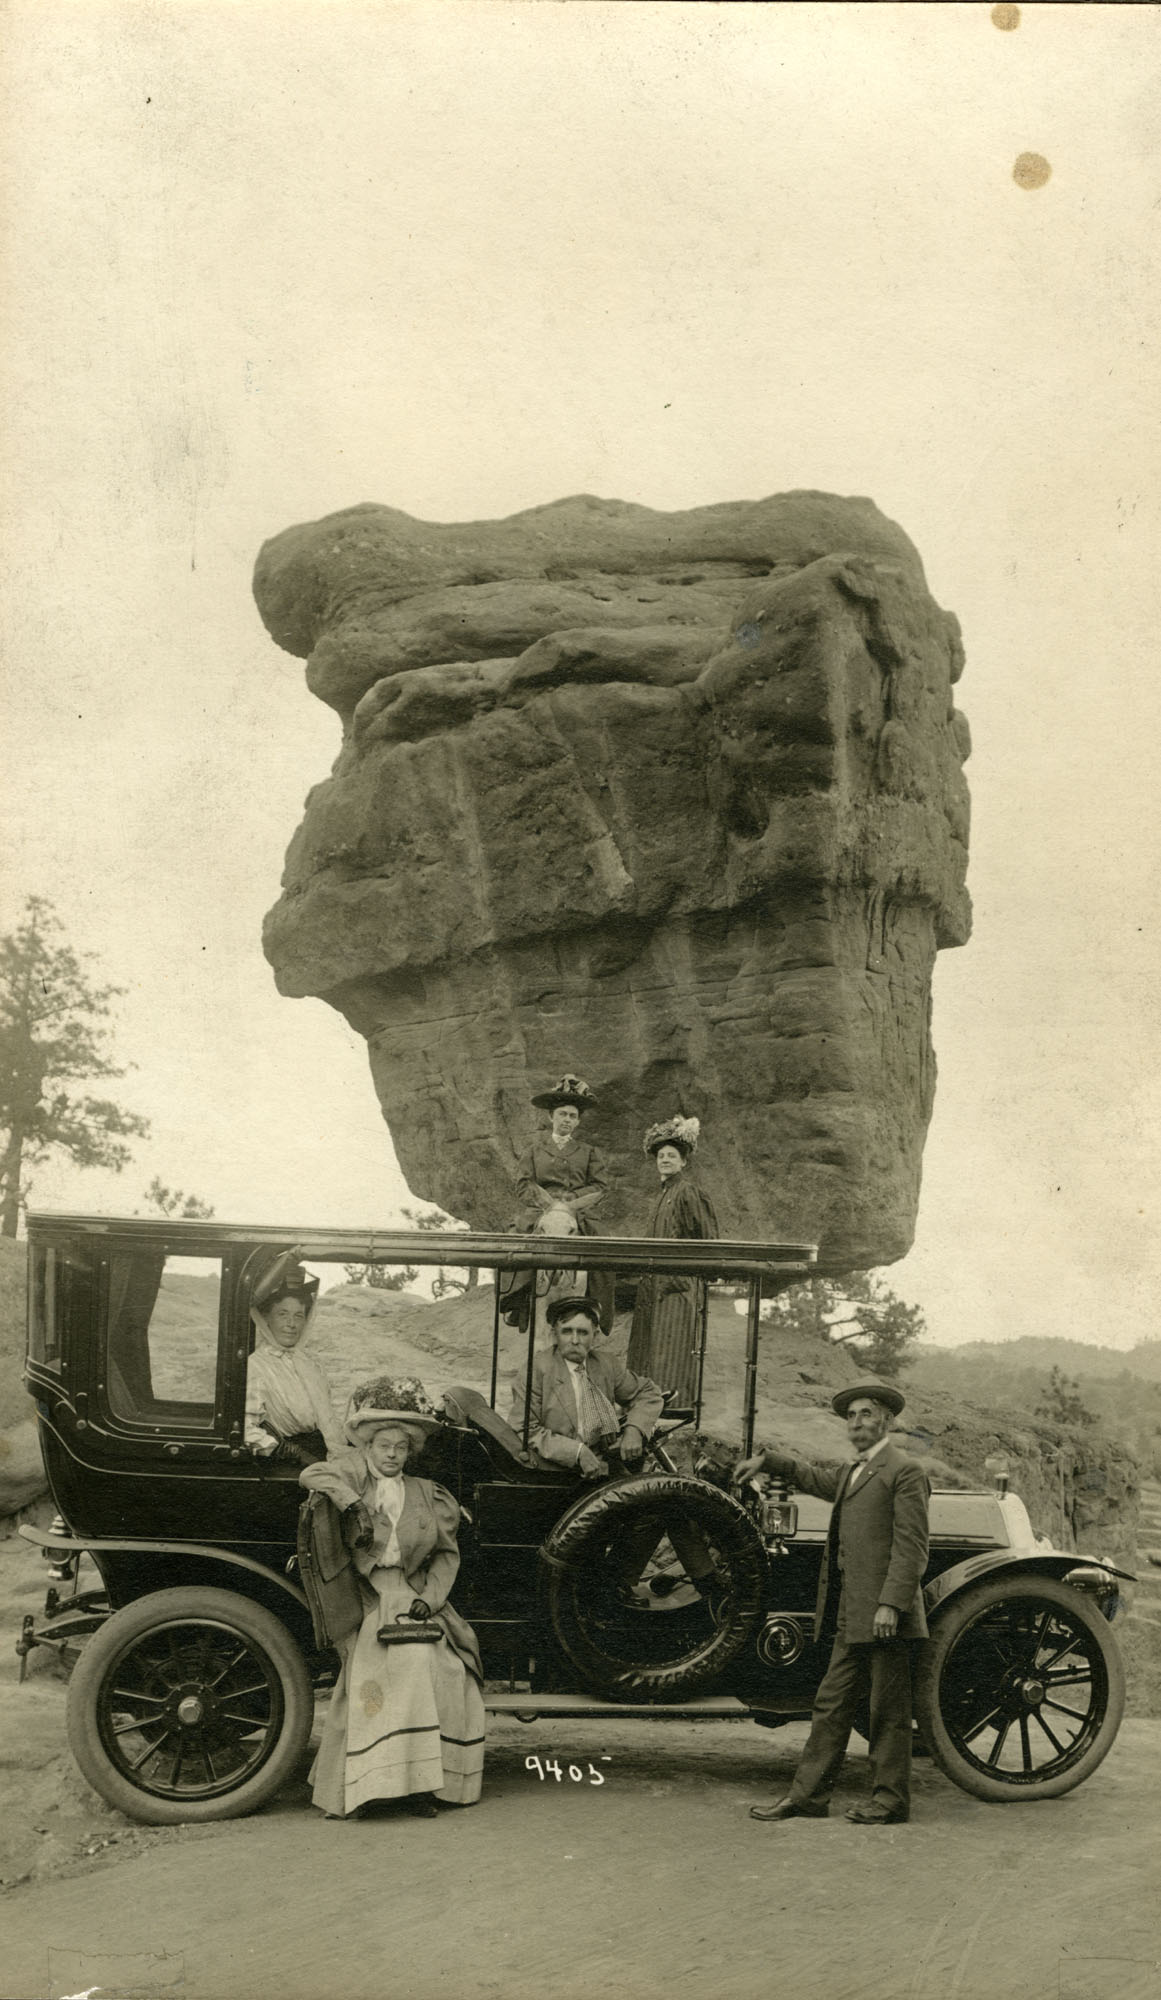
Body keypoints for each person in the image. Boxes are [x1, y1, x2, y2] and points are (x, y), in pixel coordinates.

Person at [734, 1379, 930, 1826]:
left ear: (888, 1420)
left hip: (883, 1615)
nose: (857, 1422)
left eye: (866, 1414)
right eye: (851, 1416)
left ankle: (890, 1802)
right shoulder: (853, 1472)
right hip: (851, 1613)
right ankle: (808, 1798)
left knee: (887, 1711)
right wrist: (768, 1460)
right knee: (831, 1703)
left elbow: (913, 1548)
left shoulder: (905, 1471)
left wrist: (892, 1606)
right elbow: (813, 1478)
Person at [300, 1376, 485, 1819]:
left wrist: (433, 1599)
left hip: (416, 1597)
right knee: (385, 1671)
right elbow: (311, 1473)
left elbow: (445, 1555)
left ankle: (421, 1787)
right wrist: (350, 1503)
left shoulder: (427, 1493)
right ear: (368, 1445)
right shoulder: (351, 1477)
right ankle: (369, 1789)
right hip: (368, 1597)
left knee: (447, 1668)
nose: (392, 1454)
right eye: (384, 1445)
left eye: (401, 1447)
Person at [501, 1074, 613, 1332]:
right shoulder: (534, 1150)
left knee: (604, 1246)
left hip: (577, 1211)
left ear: (578, 1121)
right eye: (562, 1114)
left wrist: (571, 1201)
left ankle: (600, 1308)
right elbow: (523, 1183)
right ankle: (518, 1302)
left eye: (573, 1116)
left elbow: (600, 1186)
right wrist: (547, 1201)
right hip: (541, 1207)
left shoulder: (588, 1152)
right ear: (551, 1116)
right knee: (515, 1237)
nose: (567, 1120)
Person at [513, 1294, 663, 1478]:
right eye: (567, 1331)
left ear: (595, 1336)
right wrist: (577, 1452)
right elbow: (524, 1429)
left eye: (583, 1332)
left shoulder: (606, 1365)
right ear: (554, 1334)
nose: (574, 1340)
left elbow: (648, 1392)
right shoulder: (536, 1369)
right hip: (553, 1470)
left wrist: (635, 1429)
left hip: (602, 1465)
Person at [627, 1116, 719, 1407]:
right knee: (649, 1350)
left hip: (678, 1286)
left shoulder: (688, 1192)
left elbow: (707, 1239)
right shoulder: (661, 1196)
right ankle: (647, 1407)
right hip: (653, 1286)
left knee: (673, 1349)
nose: (665, 1160)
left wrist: (691, 1276)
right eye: (662, 1156)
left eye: (672, 1156)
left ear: (683, 1163)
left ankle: (675, 1409)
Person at [244, 1253, 343, 1466]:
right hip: (291, 1461)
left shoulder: (310, 1364)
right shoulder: (256, 1366)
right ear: (267, 1319)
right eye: (283, 1314)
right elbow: (245, 1427)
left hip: (323, 1451)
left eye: (299, 1316)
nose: (291, 1324)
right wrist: (289, 1452)